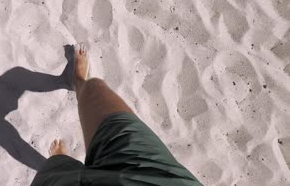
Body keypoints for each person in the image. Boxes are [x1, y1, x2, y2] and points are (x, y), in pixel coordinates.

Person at [31, 44, 202, 186]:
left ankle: (59, 160)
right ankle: (79, 82)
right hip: (154, 175)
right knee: (95, 89)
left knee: (55, 174)